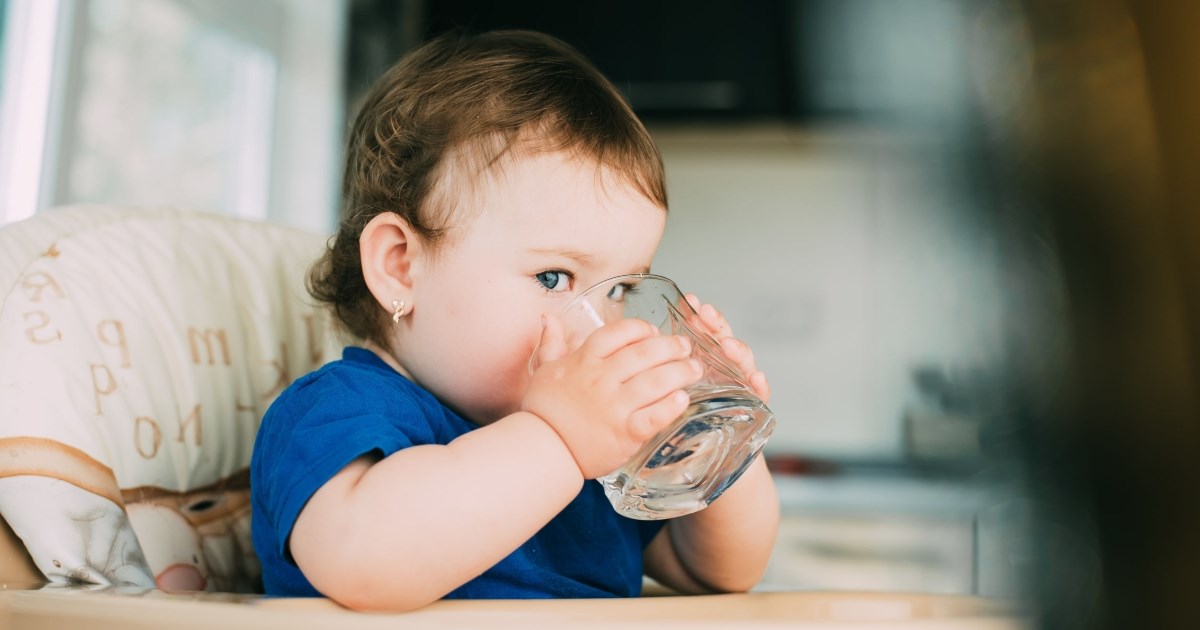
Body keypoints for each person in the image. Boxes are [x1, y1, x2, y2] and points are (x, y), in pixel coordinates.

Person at [250, 29, 780, 611]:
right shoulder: (337, 412)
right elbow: (364, 563)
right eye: (553, 278)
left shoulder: (593, 451)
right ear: (401, 267)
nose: (598, 327)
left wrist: (716, 446)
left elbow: (716, 573)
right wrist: (559, 441)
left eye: (622, 288)